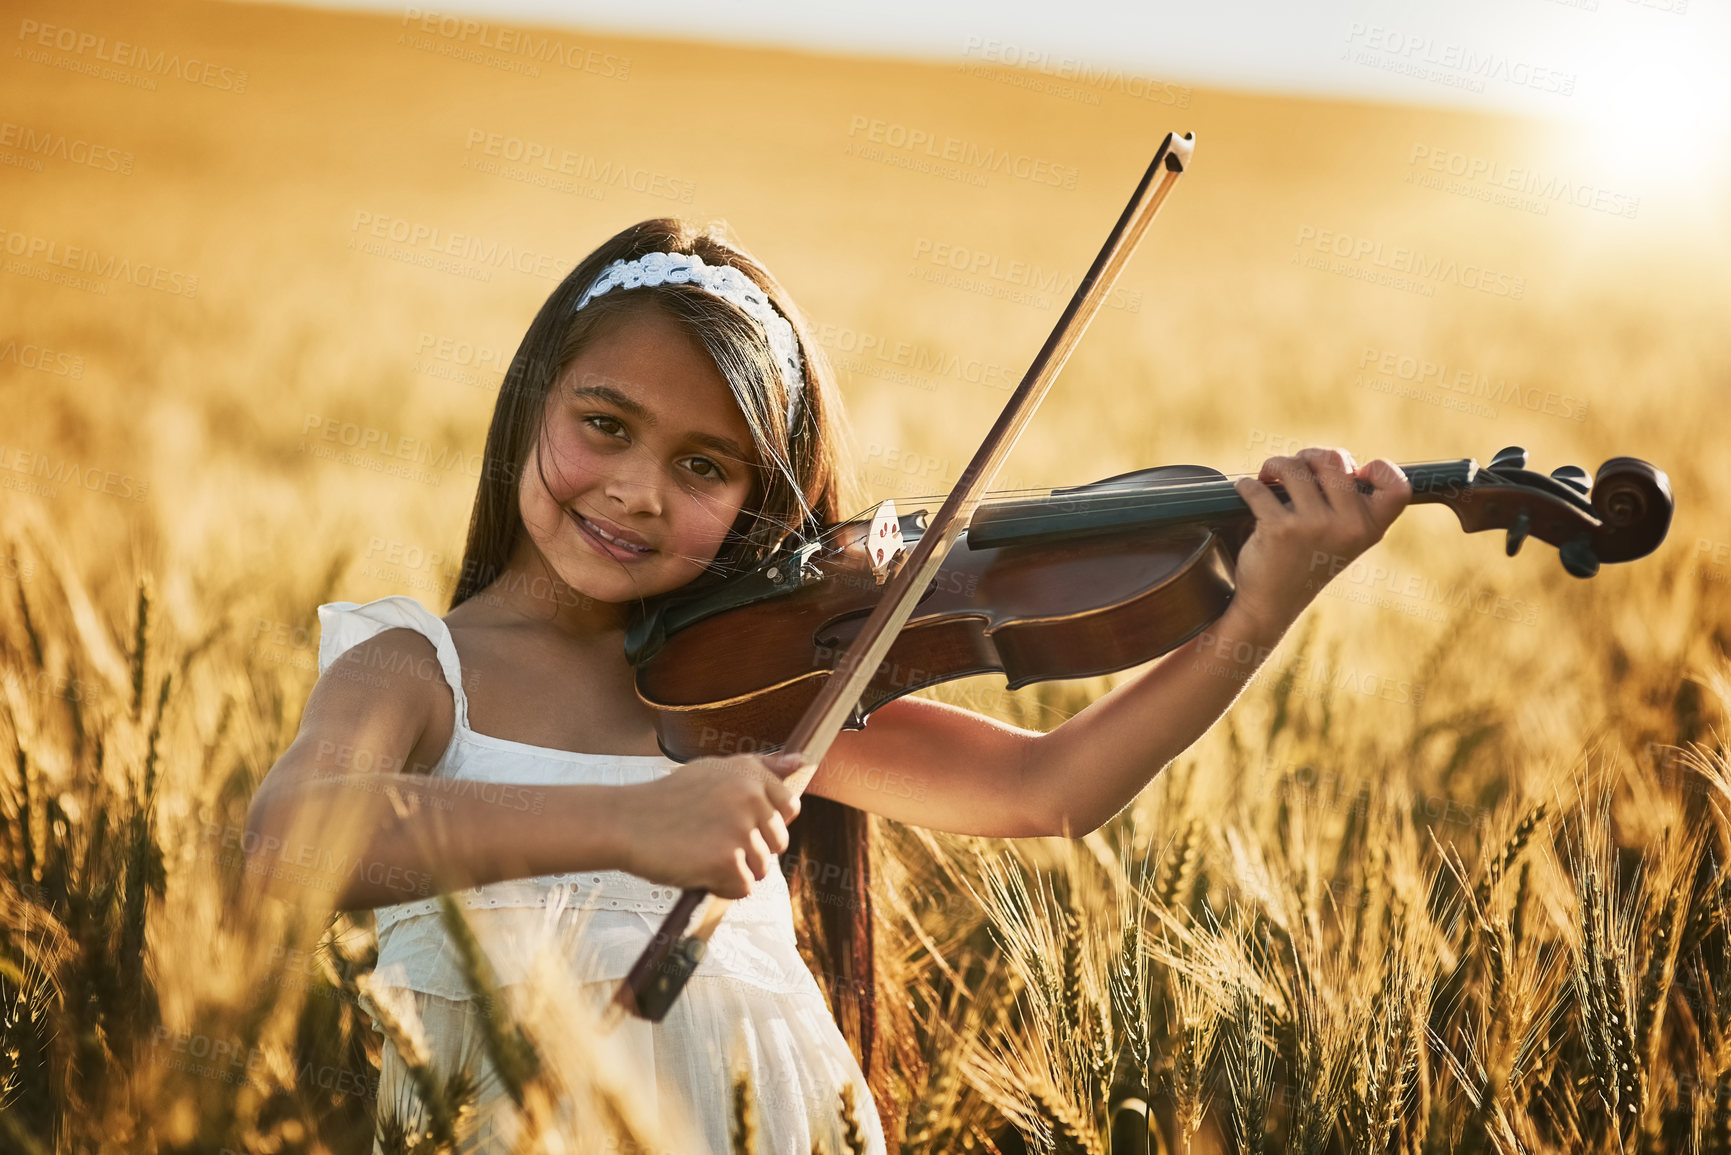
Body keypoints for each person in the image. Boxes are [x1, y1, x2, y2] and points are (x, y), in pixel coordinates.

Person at [242, 217, 1411, 1154]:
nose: (638, 492)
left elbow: (1044, 790)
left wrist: (1261, 609)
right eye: (605, 427)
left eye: (704, 467)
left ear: (760, 501)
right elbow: (293, 841)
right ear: (532, 403)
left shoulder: (750, 691)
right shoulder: (414, 666)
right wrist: (634, 821)